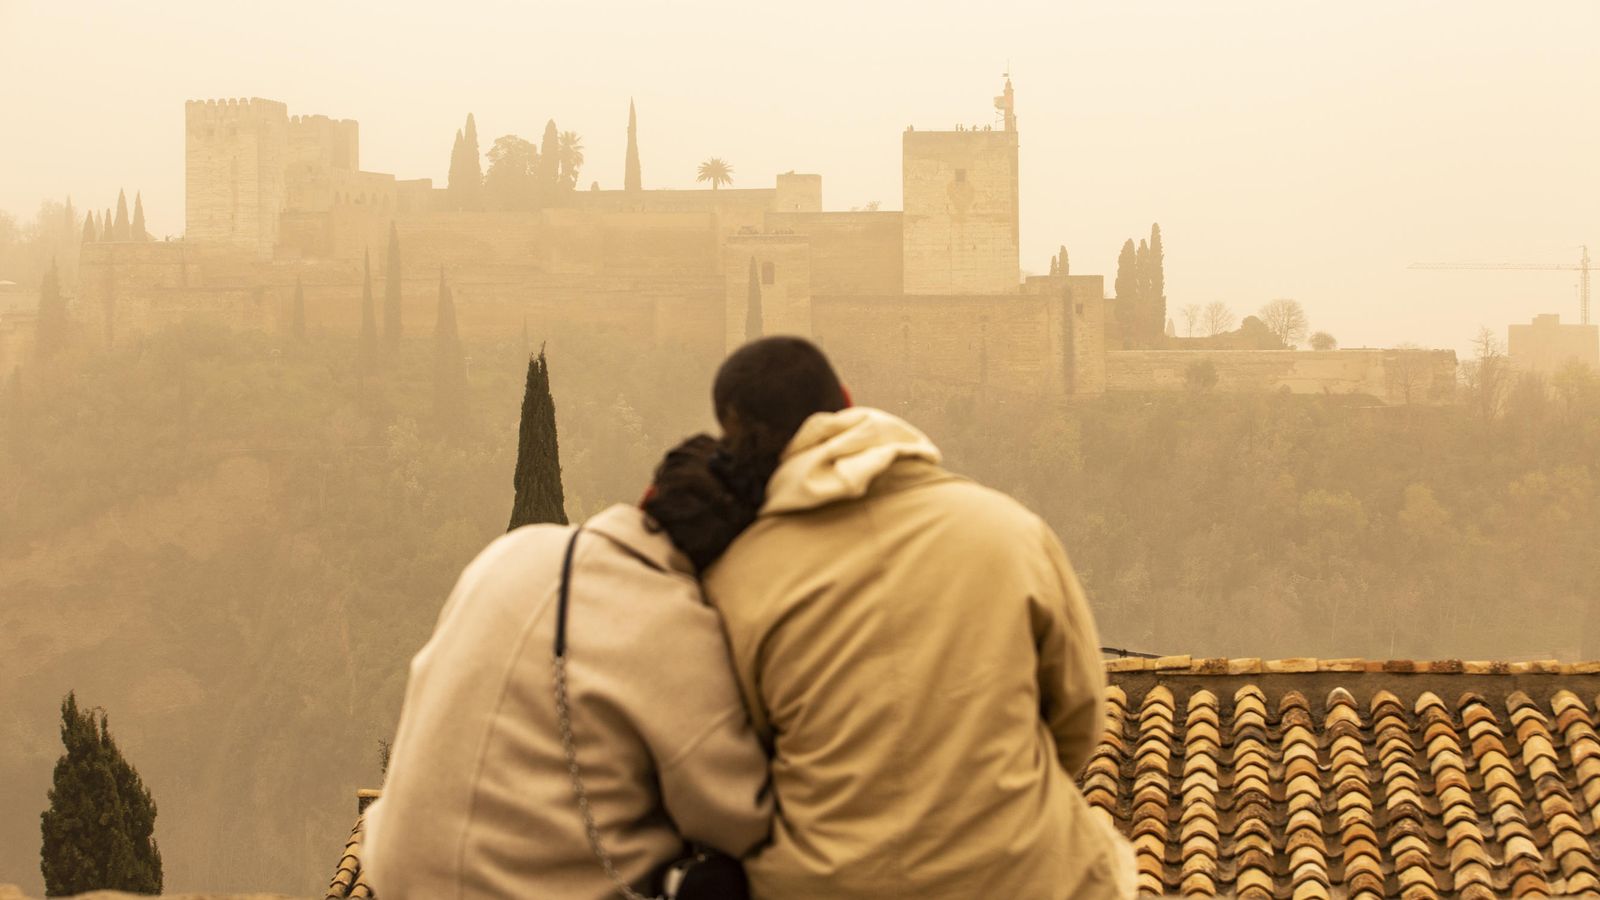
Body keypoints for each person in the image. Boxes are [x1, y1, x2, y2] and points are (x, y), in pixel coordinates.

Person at [703, 337, 1132, 899]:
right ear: (850, 402)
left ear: (736, 447)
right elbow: (1077, 720)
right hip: (1020, 878)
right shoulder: (1009, 531)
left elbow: (725, 769)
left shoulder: (732, 577)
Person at [364, 436, 771, 899]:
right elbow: (744, 820)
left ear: (647, 498)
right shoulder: (676, 626)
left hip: (393, 880)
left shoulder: (511, 551)